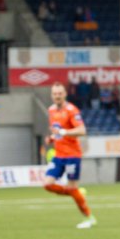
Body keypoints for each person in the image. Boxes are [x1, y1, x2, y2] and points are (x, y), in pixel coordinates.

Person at [43, 82, 96, 229]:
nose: (57, 96)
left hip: (72, 155)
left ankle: (89, 218)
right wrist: (52, 138)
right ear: (51, 95)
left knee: (72, 187)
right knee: (47, 184)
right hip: (59, 155)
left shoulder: (72, 110)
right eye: (55, 94)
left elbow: (82, 130)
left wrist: (64, 132)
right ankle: (76, 193)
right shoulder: (51, 110)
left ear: (65, 94)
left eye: (60, 93)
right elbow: (56, 131)